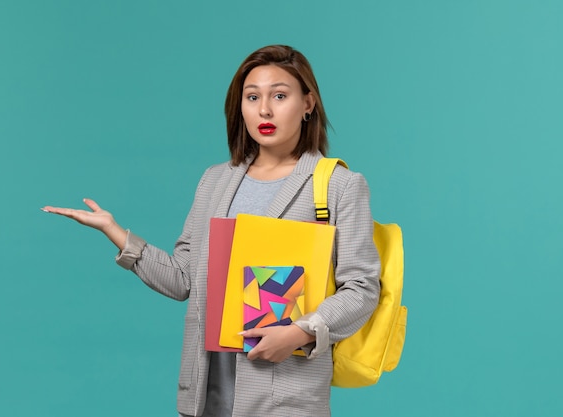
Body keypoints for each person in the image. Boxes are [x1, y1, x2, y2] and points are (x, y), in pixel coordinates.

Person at [42, 44, 380, 417]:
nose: (264, 109)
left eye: (279, 95)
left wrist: (300, 331)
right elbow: (183, 279)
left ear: (308, 103)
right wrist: (116, 232)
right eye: (252, 97)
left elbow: (362, 288)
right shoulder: (215, 181)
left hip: (284, 399)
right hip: (208, 395)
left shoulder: (338, 185)